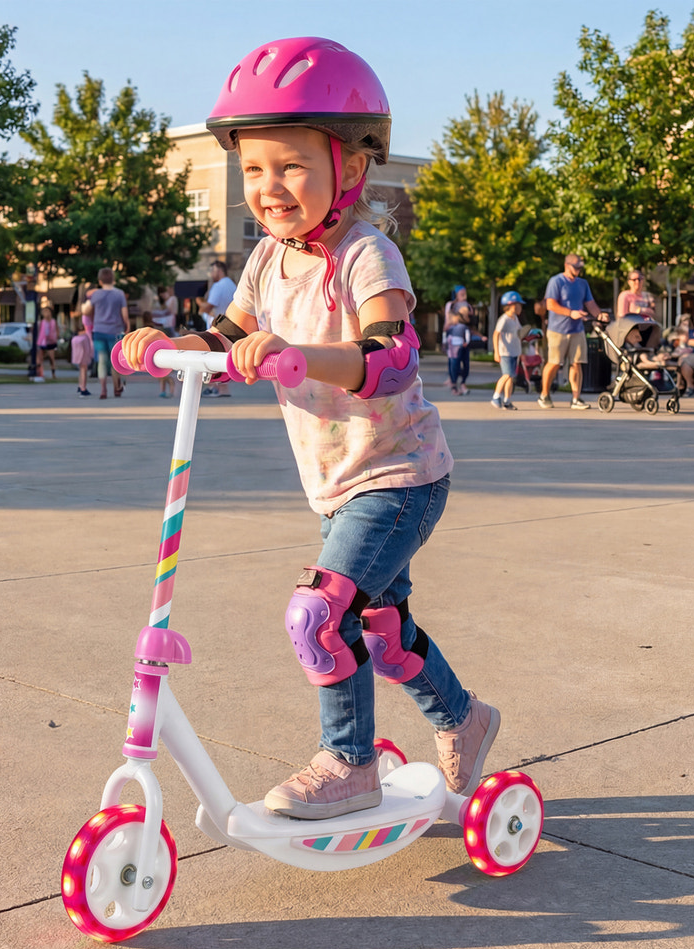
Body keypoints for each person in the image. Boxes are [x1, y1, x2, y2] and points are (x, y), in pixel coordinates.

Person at [121, 35, 500, 821]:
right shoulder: (265, 260)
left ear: (351, 168)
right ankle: (464, 717)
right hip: (335, 485)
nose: (269, 186)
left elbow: (391, 356)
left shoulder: (368, 254)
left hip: (398, 474)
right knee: (382, 630)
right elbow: (227, 340)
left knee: (318, 614)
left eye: (291, 165)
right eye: (254, 169)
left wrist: (298, 356)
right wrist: (159, 348)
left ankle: (349, 763)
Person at [539, 253, 609, 410]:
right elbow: (550, 305)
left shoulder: (582, 284)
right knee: (555, 363)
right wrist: (571, 313)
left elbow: (590, 303)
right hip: (558, 330)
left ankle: (576, 399)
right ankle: (544, 394)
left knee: (577, 363)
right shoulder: (556, 281)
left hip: (577, 329)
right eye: (576, 267)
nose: (578, 270)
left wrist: (599, 315)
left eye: (580, 267)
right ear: (566, 265)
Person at [82, 267, 130, 399]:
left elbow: (88, 311)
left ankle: (103, 390)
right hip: (115, 331)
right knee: (115, 361)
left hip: (99, 330)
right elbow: (124, 314)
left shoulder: (95, 295)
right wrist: (127, 326)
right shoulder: (119, 294)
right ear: (113, 279)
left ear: (100, 281)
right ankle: (116, 388)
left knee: (102, 361)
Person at [198, 262, 238, 397]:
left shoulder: (218, 286)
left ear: (219, 270)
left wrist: (199, 303)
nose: (211, 274)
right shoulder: (232, 285)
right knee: (225, 358)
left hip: (217, 327)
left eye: (212, 271)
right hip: (231, 326)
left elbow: (207, 307)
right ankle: (223, 389)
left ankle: (214, 387)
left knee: (211, 357)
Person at [491, 291, 525, 410]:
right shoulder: (504, 319)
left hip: (514, 351)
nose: (520, 307)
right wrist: (496, 351)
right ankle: (496, 396)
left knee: (511, 377)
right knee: (507, 375)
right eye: (519, 304)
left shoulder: (515, 318)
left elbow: (519, 332)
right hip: (505, 352)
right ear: (511, 305)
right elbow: (496, 334)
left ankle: (507, 400)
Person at [444, 304, 473, 395]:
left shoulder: (465, 325)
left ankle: (461, 384)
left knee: (464, 366)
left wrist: (466, 342)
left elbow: (469, 333)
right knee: (454, 366)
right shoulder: (451, 327)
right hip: (454, 349)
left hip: (462, 347)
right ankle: (454, 385)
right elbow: (446, 337)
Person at [36, 305, 60, 380]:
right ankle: (40, 373)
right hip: (42, 341)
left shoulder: (53, 321)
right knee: (39, 358)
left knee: (51, 358)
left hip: (51, 341)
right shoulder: (41, 322)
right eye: (44, 312)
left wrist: (56, 337)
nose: (46, 313)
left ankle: (53, 373)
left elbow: (57, 330)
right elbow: (39, 331)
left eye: (47, 311)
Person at [71, 322, 94, 396]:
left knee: (81, 371)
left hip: (77, 358)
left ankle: (80, 385)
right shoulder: (85, 338)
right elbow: (87, 348)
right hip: (84, 357)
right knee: (84, 372)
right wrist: (90, 355)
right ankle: (83, 388)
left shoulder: (74, 339)